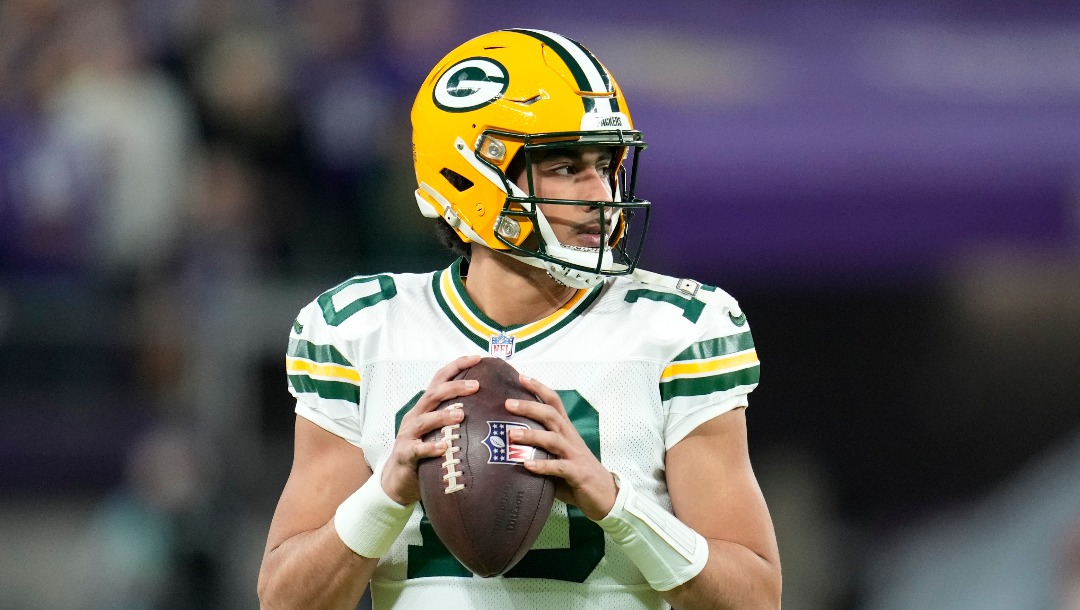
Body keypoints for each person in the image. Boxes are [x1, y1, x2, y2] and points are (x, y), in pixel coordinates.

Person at [257, 28, 781, 610]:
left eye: (607, 164)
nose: (601, 192)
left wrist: (614, 502)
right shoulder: (359, 329)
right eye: (564, 166)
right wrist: (385, 496)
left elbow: (754, 598)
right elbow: (286, 601)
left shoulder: (678, 327)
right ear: (472, 174)